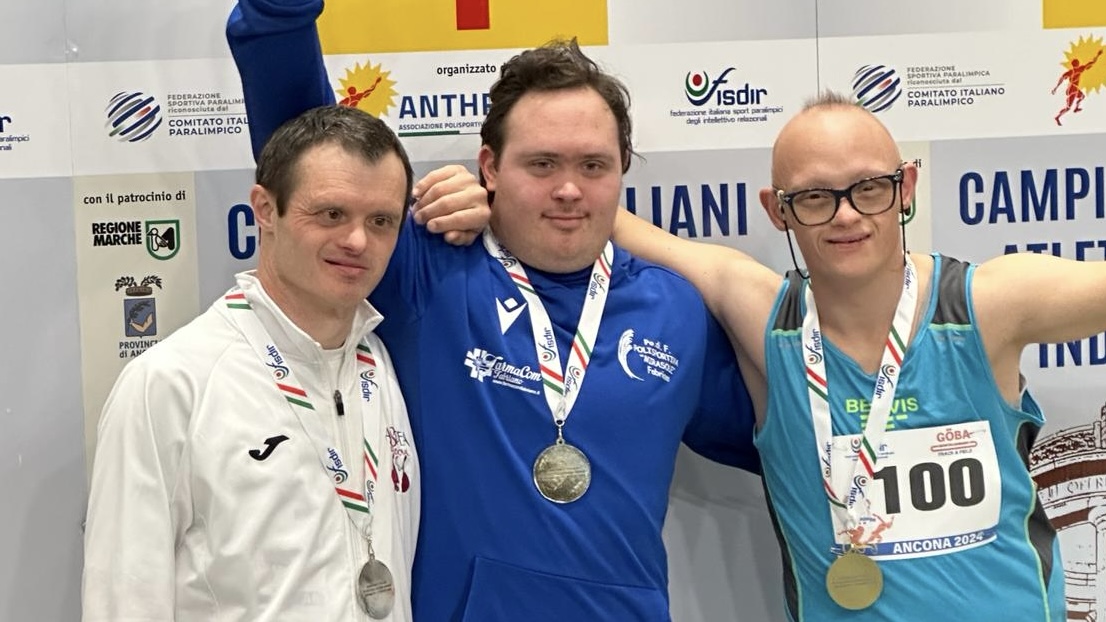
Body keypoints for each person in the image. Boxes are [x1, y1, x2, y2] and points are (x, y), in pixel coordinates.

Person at [227, 6, 760, 620]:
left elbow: (791, 439)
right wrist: (281, 12)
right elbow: (307, 146)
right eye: (542, 164)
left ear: (621, 173)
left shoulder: (676, 310)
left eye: (593, 165)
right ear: (489, 169)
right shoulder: (427, 265)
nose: (569, 189)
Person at [612, 91, 1106, 620]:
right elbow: (599, 217)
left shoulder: (987, 305)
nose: (846, 215)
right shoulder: (766, 322)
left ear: (905, 187)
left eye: (869, 188)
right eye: (815, 197)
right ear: (779, 210)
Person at [82, 105, 477, 621]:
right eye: (331, 214)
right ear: (265, 210)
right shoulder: (172, 383)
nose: (357, 241)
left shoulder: (384, 363)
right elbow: (123, 601)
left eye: (381, 221)